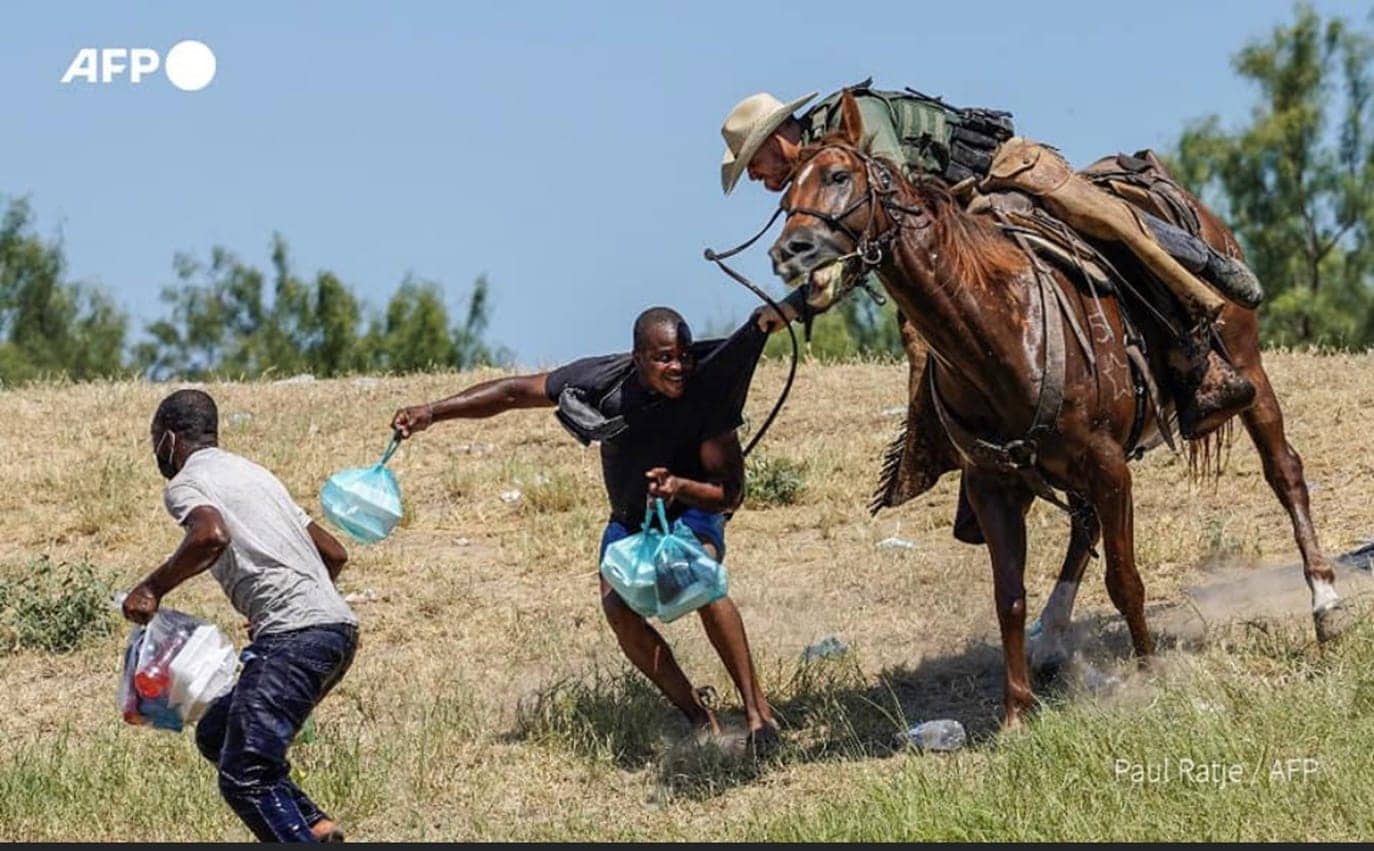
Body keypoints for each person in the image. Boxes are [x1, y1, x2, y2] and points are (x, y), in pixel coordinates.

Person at [723, 80, 1264, 529]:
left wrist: (802, 299)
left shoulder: (855, 120)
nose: (754, 176)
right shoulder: (816, 178)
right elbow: (852, 247)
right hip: (955, 224)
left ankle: (1197, 352)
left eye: (754, 160)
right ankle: (977, 455)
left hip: (998, 181)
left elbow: (893, 210)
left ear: (780, 137)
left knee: (1107, 231)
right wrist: (796, 301)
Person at [391, 307, 784, 748]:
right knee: (618, 610)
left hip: (691, 509)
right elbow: (515, 392)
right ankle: (698, 717)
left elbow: (730, 494)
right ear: (638, 358)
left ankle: (758, 717)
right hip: (630, 520)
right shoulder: (602, 380)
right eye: (665, 358)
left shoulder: (706, 397)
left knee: (698, 580)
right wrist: (433, 412)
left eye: (685, 357)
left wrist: (679, 486)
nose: (679, 368)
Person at [122, 389, 358, 843]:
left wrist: (151, 588)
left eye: (155, 441)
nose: (156, 452)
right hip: (336, 630)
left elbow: (210, 536)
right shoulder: (255, 474)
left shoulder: (186, 482)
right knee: (217, 732)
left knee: (245, 775)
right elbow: (334, 553)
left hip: (295, 636)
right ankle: (314, 825)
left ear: (168, 439)